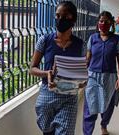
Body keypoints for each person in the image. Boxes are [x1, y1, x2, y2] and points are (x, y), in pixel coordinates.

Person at [29, 1, 85, 135]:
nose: (60, 19)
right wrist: (46, 73)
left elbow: (82, 73)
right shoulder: (45, 40)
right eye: (57, 16)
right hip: (47, 94)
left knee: (65, 132)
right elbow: (32, 69)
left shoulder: (80, 45)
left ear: (74, 19)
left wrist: (82, 82)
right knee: (47, 130)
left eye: (65, 16)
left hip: (69, 96)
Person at [83, 11, 119, 135]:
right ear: (98, 23)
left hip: (110, 77)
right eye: (101, 21)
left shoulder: (117, 39)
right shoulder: (93, 38)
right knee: (90, 106)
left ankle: (104, 125)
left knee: (107, 105)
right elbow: (87, 59)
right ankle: (87, 132)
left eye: (106, 21)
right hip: (92, 77)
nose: (103, 23)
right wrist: (80, 74)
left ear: (111, 23)